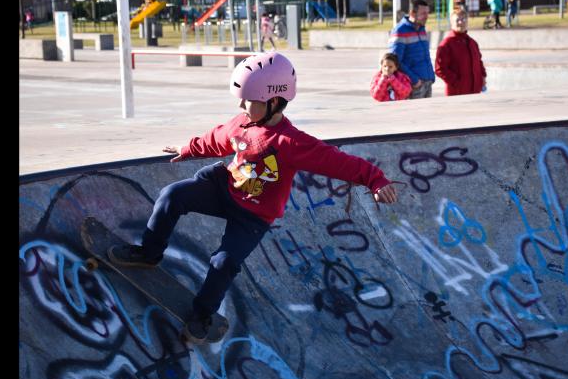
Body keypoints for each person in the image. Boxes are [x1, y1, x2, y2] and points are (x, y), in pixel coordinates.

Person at [106, 52, 399, 344]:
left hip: (253, 216)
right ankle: (149, 253)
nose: (241, 105)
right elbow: (217, 139)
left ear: (274, 101)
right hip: (225, 189)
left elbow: (337, 162)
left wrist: (376, 180)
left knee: (224, 262)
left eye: (248, 100)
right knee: (172, 195)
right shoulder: (242, 123)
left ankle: (202, 314)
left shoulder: (291, 142)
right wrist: (189, 148)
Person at [389, 0, 435, 99]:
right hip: (413, 86)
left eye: (427, 13)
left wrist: (431, 76)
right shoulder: (399, 31)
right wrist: (415, 80)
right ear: (412, 13)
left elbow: (426, 56)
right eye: (423, 13)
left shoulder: (422, 29)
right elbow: (394, 61)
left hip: (427, 83)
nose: (427, 17)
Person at [434, 9, 487, 96]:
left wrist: (482, 77)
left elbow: (479, 62)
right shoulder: (446, 44)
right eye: (457, 20)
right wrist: (457, 82)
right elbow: (440, 69)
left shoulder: (472, 43)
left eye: (464, 19)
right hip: (456, 94)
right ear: (451, 23)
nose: (461, 22)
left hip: (475, 91)